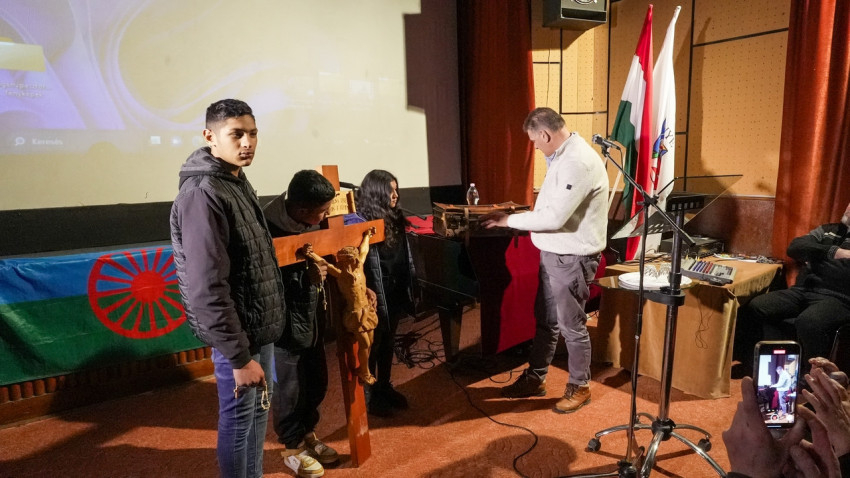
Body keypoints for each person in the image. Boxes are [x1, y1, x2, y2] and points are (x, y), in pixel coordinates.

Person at [170, 99, 286, 478]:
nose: (247, 142)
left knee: (256, 413)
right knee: (238, 420)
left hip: (256, 325)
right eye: (237, 134)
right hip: (236, 336)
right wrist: (238, 357)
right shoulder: (203, 193)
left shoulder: (233, 179)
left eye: (252, 133)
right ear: (210, 136)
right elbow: (207, 287)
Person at [481, 107, 608, 414]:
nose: (535, 147)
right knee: (547, 321)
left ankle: (580, 386)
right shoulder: (563, 156)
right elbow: (550, 211)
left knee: (572, 326)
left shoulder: (577, 161)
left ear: (545, 134)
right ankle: (536, 378)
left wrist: (508, 221)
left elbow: (554, 218)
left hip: (571, 258)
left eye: (534, 141)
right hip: (555, 254)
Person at [262, 170, 339, 476]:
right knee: (289, 389)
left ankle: (308, 434)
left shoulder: (313, 224)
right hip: (283, 327)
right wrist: (304, 279)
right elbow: (263, 284)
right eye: (323, 211)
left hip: (311, 319)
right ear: (303, 210)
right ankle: (292, 446)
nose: (326, 216)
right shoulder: (265, 228)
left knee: (316, 381)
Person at [735, 202, 850, 374]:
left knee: (809, 321)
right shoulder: (827, 230)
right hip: (803, 290)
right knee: (757, 306)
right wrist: (836, 253)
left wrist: (816, 258)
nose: (848, 208)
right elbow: (796, 247)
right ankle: (754, 365)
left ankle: (813, 378)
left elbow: (843, 273)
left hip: (839, 298)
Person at [344, 169, 414, 417]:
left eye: (396, 190)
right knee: (373, 345)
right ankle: (370, 395)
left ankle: (384, 386)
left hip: (394, 288)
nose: (395, 195)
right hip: (375, 292)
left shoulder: (395, 217)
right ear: (376, 193)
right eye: (390, 191)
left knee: (388, 342)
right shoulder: (358, 221)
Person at [297, 228, 379, 385]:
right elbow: (326, 264)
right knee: (365, 343)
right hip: (355, 314)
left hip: (367, 310)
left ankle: (363, 368)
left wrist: (367, 236)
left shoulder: (360, 267)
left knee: (370, 341)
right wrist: (311, 254)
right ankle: (365, 372)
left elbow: (364, 250)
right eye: (353, 260)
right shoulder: (341, 275)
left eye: (356, 258)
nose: (356, 261)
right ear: (346, 261)